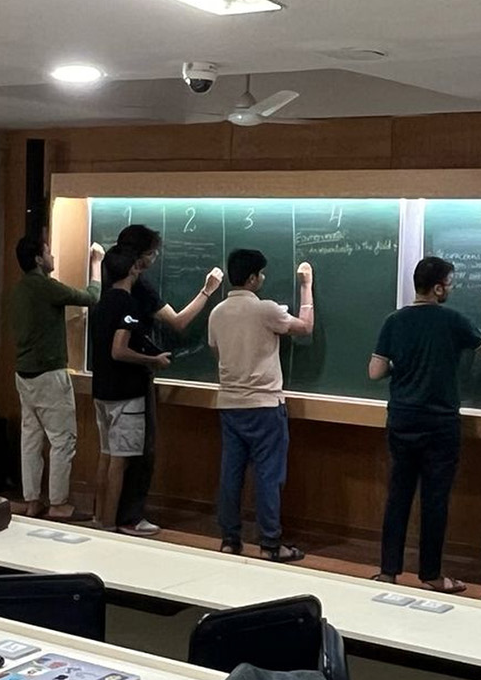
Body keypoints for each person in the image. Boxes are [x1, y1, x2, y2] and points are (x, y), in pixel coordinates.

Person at [368, 256, 481, 592]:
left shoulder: (394, 320)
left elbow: (375, 371)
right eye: (450, 283)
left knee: (398, 496)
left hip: (402, 418)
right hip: (440, 422)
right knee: (435, 500)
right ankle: (431, 575)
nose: (452, 288)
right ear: (437, 288)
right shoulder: (452, 320)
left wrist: (403, 365)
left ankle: (388, 571)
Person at [104, 224, 223, 536]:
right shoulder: (138, 291)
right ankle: (127, 518)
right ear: (138, 260)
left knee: (113, 455)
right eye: (152, 253)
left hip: (106, 382)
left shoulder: (109, 285)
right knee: (138, 453)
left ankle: (104, 518)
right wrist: (208, 290)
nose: (155, 258)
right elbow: (179, 321)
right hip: (132, 381)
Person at [209, 248, 315, 562]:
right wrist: (307, 286)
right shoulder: (266, 309)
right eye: (262, 274)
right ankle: (270, 544)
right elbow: (305, 327)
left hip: (230, 403)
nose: (264, 278)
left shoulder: (217, 313)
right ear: (253, 278)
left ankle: (229, 540)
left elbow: (217, 352)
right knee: (269, 475)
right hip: (264, 405)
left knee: (231, 474)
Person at [9, 234, 103, 520]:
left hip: (24, 374)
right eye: (48, 252)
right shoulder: (46, 287)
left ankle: (32, 500)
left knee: (31, 440)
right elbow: (91, 297)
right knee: (62, 440)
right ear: (39, 259)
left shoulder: (19, 289)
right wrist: (96, 264)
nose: (52, 257)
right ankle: (59, 504)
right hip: (49, 375)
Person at [89, 246, 175, 535]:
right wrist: (154, 360)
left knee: (105, 456)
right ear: (132, 269)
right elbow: (119, 350)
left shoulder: (102, 301)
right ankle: (110, 525)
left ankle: (99, 519)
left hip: (102, 390)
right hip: (125, 394)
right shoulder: (128, 305)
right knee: (120, 461)